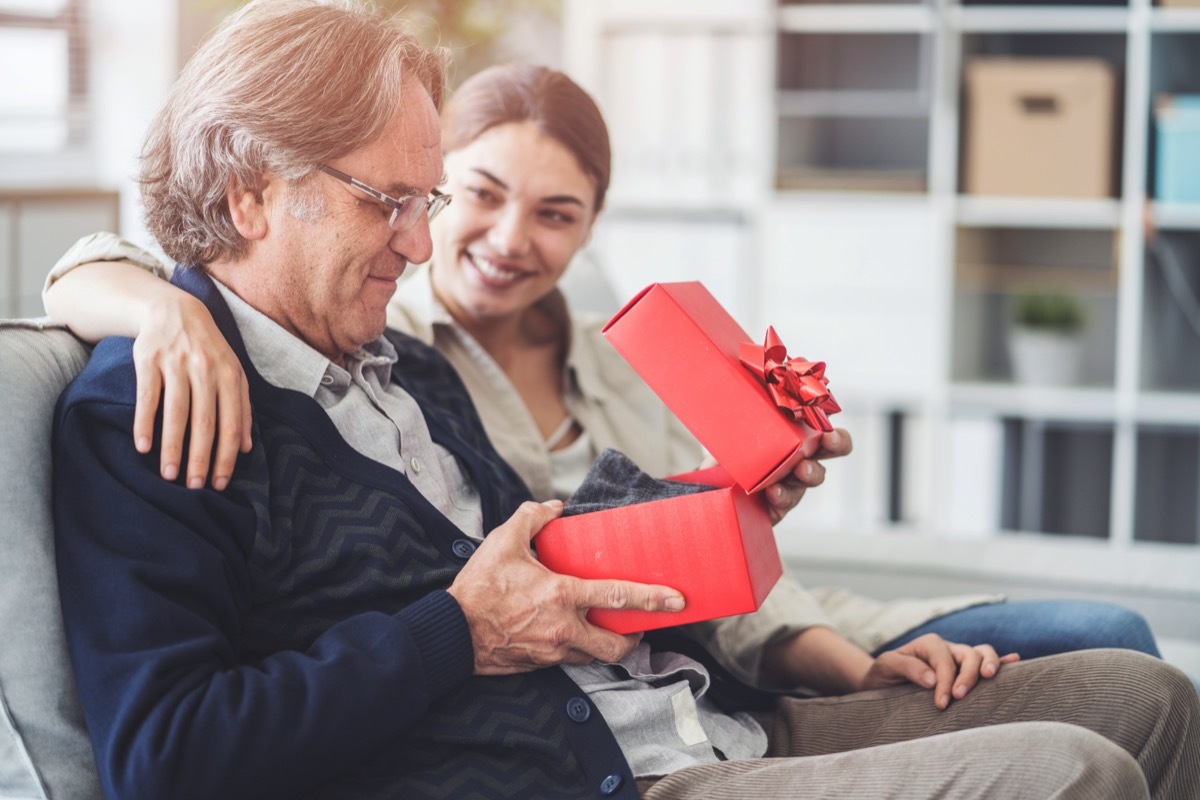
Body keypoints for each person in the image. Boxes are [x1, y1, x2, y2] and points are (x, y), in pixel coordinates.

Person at [49, 1, 1199, 798]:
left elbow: (569, 566)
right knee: (1076, 772)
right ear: (253, 193)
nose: (424, 239)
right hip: (602, 769)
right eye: (389, 202)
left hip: (706, 703)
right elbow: (168, 757)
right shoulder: (161, 403)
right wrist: (459, 630)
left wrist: (734, 507)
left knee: (1145, 694)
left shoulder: (412, 372)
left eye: (423, 198)